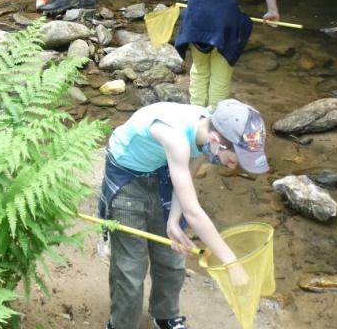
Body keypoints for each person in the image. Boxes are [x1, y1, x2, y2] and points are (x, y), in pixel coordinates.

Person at [99, 99, 270, 329]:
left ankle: (165, 316)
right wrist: (231, 262)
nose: (231, 167)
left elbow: (186, 177)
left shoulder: (205, 132)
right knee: (130, 268)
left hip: (164, 168)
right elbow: (193, 212)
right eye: (232, 159)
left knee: (172, 256)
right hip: (126, 176)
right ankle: (121, 324)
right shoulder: (178, 139)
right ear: (216, 141)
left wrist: (172, 221)